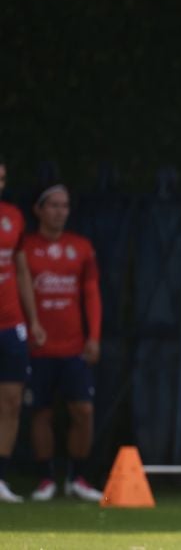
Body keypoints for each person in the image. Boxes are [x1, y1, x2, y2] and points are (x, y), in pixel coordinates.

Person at [22, 183, 104, 502]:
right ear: (39, 210)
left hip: (74, 347)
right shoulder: (25, 247)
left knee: (83, 410)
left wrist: (93, 336)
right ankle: (46, 479)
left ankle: (77, 477)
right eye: (54, 205)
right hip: (38, 347)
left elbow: (92, 294)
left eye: (65, 206)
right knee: (40, 413)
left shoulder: (81, 247)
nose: (60, 212)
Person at [0, 158, 46, 503]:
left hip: (10, 323)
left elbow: (21, 271)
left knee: (12, 401)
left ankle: (0, 478)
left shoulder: (13, 217)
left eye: (2, 178)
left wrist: (32, 320)